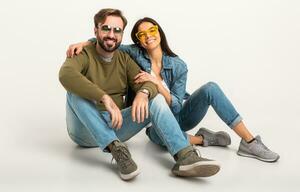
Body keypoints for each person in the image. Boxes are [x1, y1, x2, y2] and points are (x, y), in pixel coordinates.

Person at [67, 16, 280, 163]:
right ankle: (203, 139)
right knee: (157, 137)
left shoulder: (178, 66)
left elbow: (177, 105)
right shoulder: (133, 55)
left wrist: (157, 84)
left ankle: (250, 142)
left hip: (178, 115)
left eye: (152, 30)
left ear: (159, 32)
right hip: (151, 122)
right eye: (142, 34)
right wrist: (84, 42)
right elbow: (108, 41)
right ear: (138, 40)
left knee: (211, 88)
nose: (148, 35)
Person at [59, 8, 220, 181]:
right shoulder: (81, 53)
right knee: (74, 92)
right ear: (96, 30)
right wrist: (104, 97)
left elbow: (148, 82)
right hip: (83, 130)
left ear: (122, 35)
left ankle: (185, 156)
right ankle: (116, 149)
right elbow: (65, 75)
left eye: (117, 30)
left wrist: (143, 93)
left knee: (155, 97)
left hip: (116, 125)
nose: (111, 34)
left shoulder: (124, 59)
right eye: (106, 28)